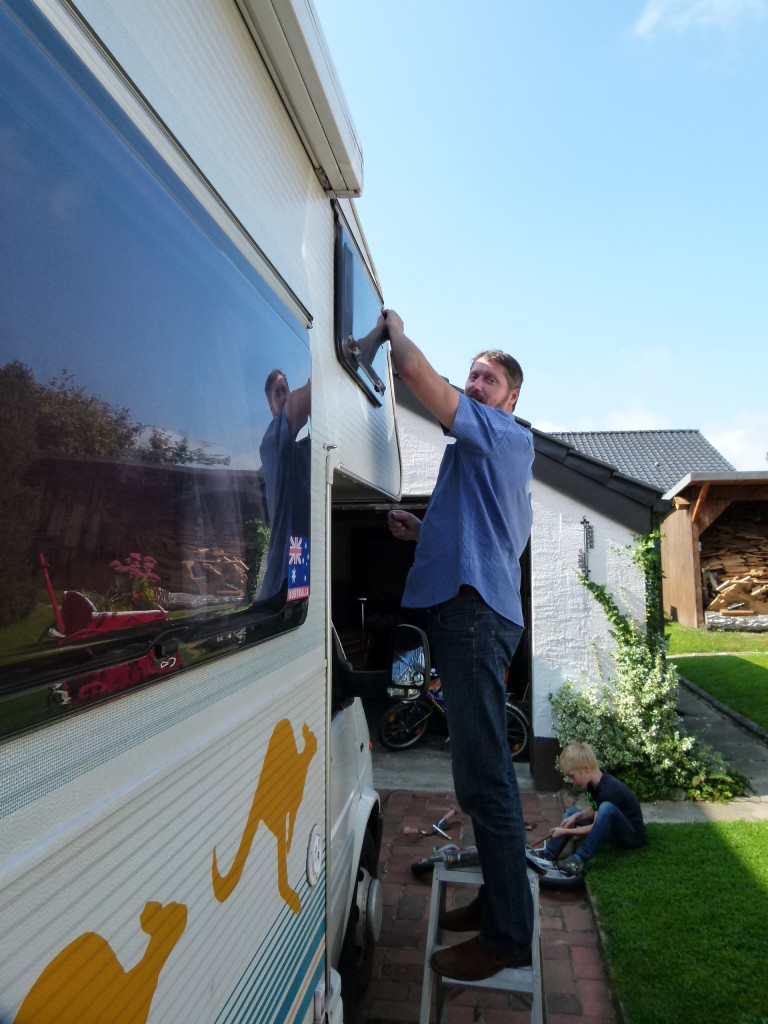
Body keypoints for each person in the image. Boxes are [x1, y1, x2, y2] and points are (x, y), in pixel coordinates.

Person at [384, 308, 535, 982]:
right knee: (477, 779)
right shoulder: (482, 459)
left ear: (511, 396)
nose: (475, 384)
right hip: (473, 615)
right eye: (473, 374)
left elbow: (418, 374)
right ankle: (497, 905)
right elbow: (488, 541)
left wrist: (390, 327)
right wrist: (422, 532)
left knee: (488, 782)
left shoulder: (499, 433)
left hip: (472, 621)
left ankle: (507, 935)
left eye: (488, 377)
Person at [534, 741, 645, 876]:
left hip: (631, 836)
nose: (571, 781)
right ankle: (549, 855)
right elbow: (595, 809)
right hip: (612, 828)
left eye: (572, 776)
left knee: (606, 808)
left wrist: (565, 831)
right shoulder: (594, 783)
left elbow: (595, 825)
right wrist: (576, 817)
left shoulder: (609, 790)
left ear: (586, 768)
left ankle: (579, 860)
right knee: (572, 813)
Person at [258, 370, 311, 603]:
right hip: (279, 580)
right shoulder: (271, 441)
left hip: (299, 563)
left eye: (286, 389)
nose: (285, 395)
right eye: (278, 393)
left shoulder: (298, 451)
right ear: (272, 410)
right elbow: (313, 396)